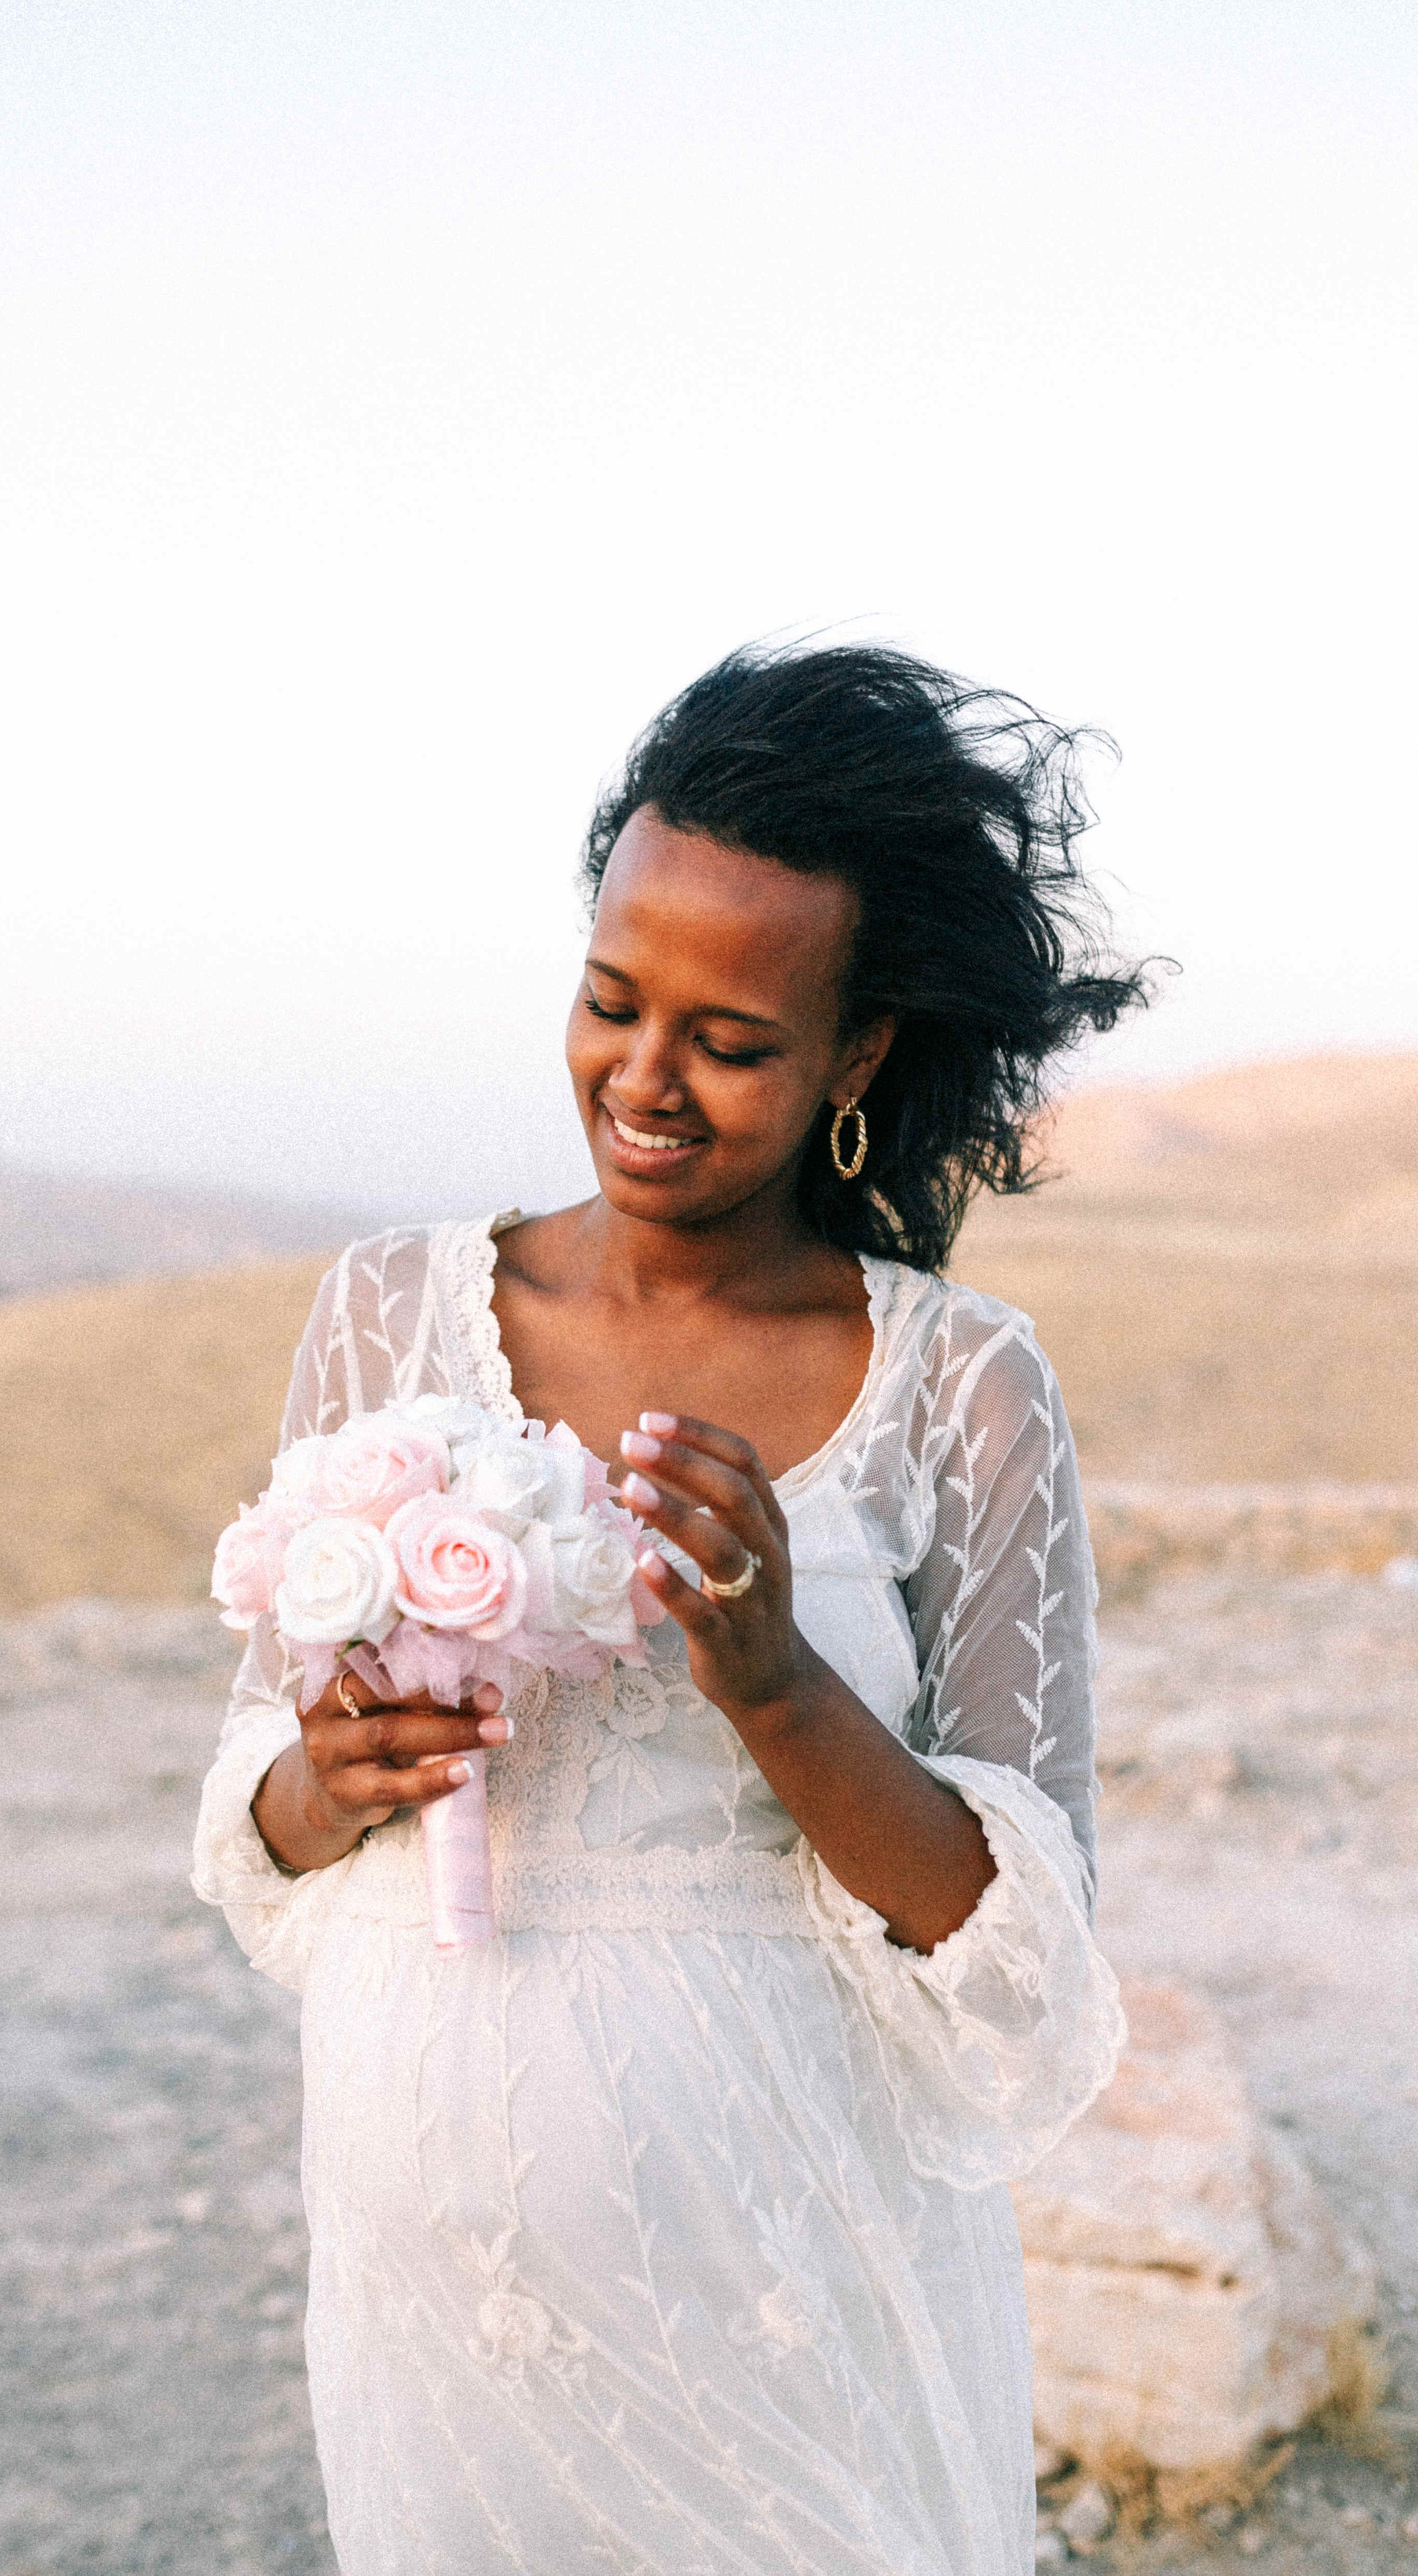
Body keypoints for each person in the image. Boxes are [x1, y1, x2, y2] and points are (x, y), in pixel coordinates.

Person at [194, 643, 1146, 2576]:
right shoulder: (389, 1312)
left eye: (731, 1040)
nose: (642, 1078)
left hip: (788, 2267)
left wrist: (776, 1682)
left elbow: (1018, 1955)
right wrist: (328, 1774)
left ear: (858, 1057)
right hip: (434, 2272)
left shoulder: (962, 1386)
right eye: (613, 1001)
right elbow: (264, 1820)